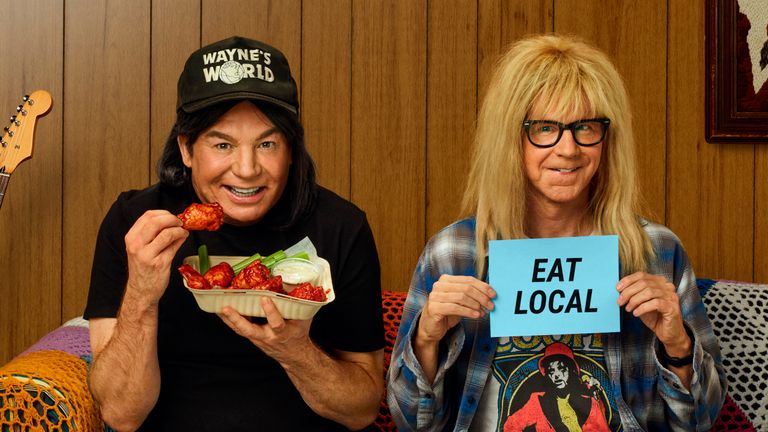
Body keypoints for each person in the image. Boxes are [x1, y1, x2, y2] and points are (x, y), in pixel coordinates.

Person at [386, 34, 726, 431]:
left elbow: (701, 423)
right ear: (511, 139)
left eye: (585, 127)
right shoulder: (454, 253)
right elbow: (412, 423)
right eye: (545, 128)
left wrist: (679, 346)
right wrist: (426, 338)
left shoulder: (657, 251)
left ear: (607, 140)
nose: (568, 149)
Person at [84, 36, 384, 431]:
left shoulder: (341, 226)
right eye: (223, 143)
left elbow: (362, 410)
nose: (246, 169)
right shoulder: (136, 222)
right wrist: (141, 294)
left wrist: (295, 351)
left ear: (291, 151)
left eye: (267, 143)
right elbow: (122, 415)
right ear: (187, 149)